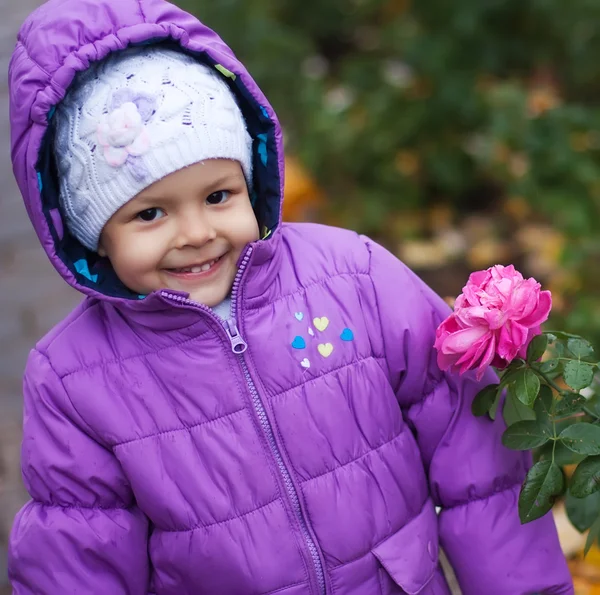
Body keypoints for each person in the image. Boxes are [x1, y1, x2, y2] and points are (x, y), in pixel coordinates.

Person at [6, 0, 573, 593]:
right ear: (93, 232)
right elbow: (78, 550)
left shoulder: (353, 277)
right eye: (150, 213)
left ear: (250, 177)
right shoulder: (74, 378)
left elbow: (477, 469)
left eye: (219, 196)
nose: (197, 233)